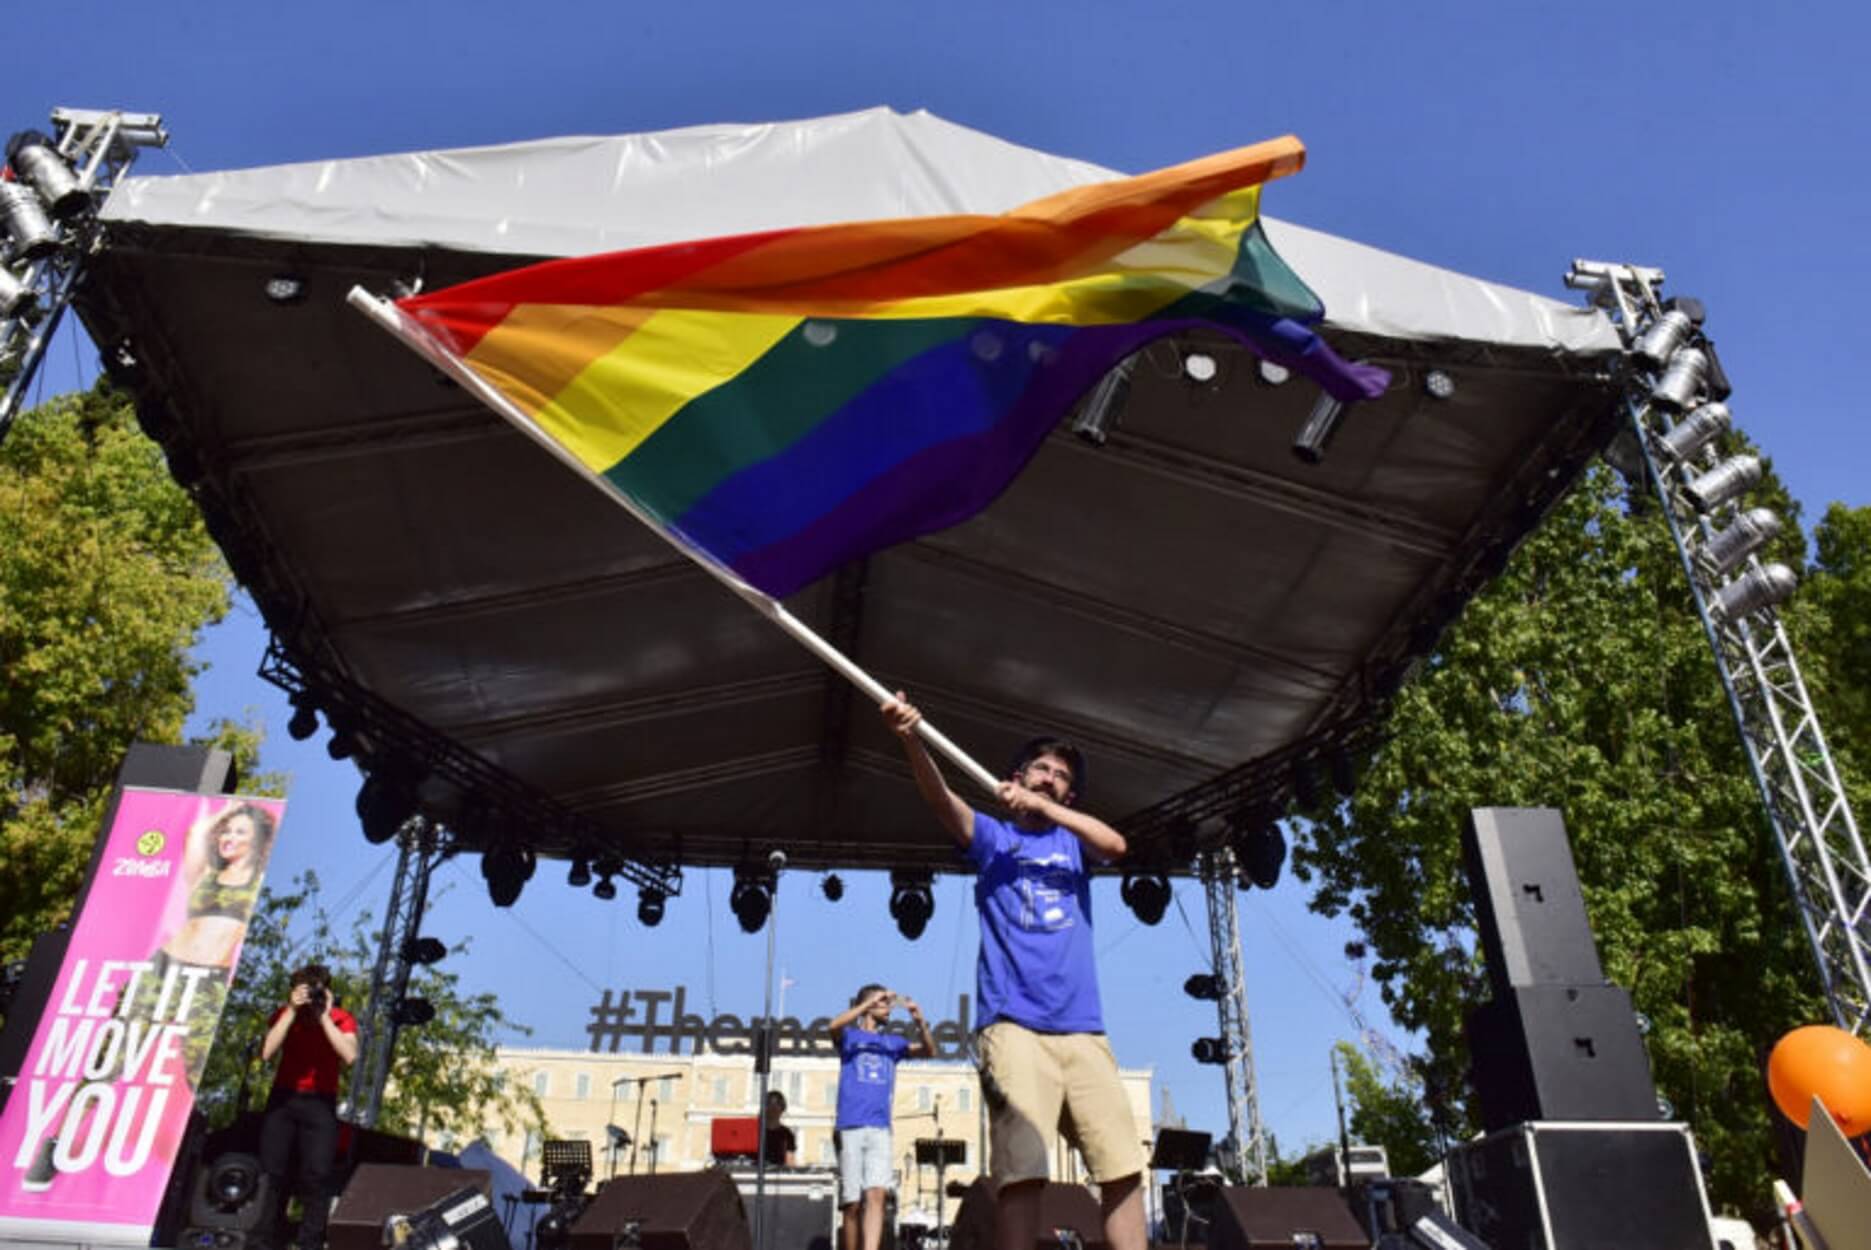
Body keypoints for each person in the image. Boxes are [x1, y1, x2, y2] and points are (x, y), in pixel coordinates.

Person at [880, 693, 1146, 1250]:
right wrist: (911, 737)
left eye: (1059, 776)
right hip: (1014, 1026)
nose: (1048, 778)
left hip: (1083, 1029)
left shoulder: (1073, 843)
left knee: (1123, 1168)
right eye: (1040, 769)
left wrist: (1048, 810)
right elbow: (942, 801)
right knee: (1023, 1173)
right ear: (1015, 776)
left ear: (1068, 794)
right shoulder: (996, 840)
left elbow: (1117, 845)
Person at [259, 963, 360, 1250]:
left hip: (319, 1102)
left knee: (317, 1176)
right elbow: (266, 1052)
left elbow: (350, 1055)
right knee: (272, 1173)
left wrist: (325, 1016)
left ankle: (310, 1243)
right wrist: (291, 1011)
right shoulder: (285, 1016)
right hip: (284, 1098)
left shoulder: (341, 1019)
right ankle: (266, 1239)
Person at [827, 985, 935, 1250]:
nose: (889, 1008)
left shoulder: (892, 1044)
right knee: (851, 1203)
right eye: (883, 1003)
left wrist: (920, 1022)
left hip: (880, 1127)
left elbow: (929, 1051)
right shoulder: (850, 1037)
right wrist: (866, 1004)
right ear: (870, 1003)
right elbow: (833, 1026)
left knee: (877, 1193)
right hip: (850, 1125)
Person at [759, 1089, 798, 1168]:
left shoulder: (787, 1134)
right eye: (770, 1103)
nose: (773, 1108)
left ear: (782, 1108)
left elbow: (790, 1162)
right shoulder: (754, 1130)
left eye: (777, 1104)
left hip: (778, 1176)